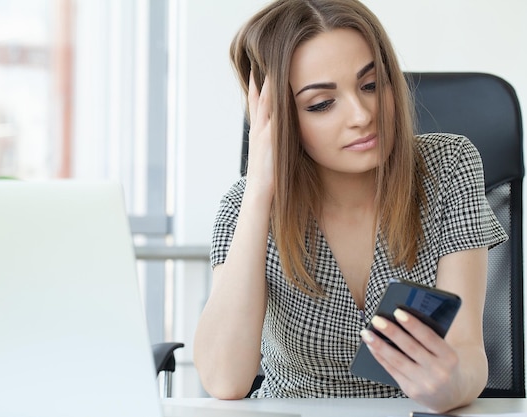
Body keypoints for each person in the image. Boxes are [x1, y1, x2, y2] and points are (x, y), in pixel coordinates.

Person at [192, 0, 508, 413]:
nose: (362, 115)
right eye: (321, 103)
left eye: (372, 85)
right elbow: (224, 380)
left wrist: (450, 387)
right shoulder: (244, 206)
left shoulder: (448, 168)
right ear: (280, 117)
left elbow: (466, 352)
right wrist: (260, 190)